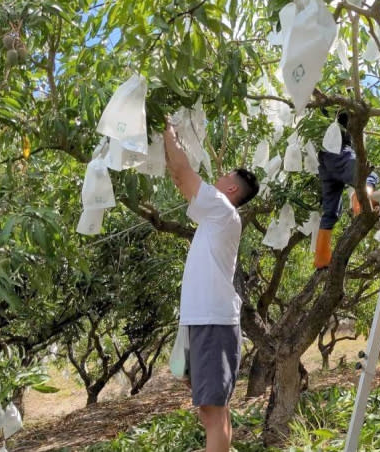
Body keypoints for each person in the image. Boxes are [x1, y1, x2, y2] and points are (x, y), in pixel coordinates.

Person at [163, 117, 259, 452]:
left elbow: (181, 174)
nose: (216, 180)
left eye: (223, 177)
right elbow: (180, 181)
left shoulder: (221, 210)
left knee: (212, 410)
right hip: (203, 319)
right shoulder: (214, 217)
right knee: (212, 410)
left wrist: (167, 130)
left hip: (212, 321)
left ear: (231, 189)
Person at [315, 111, 379, 268]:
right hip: (339, 151)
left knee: (330, 212)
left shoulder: (326, 116)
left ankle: (321, 258)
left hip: (324, 159)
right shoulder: (344, 111)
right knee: (368, 176)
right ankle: (361, 204)